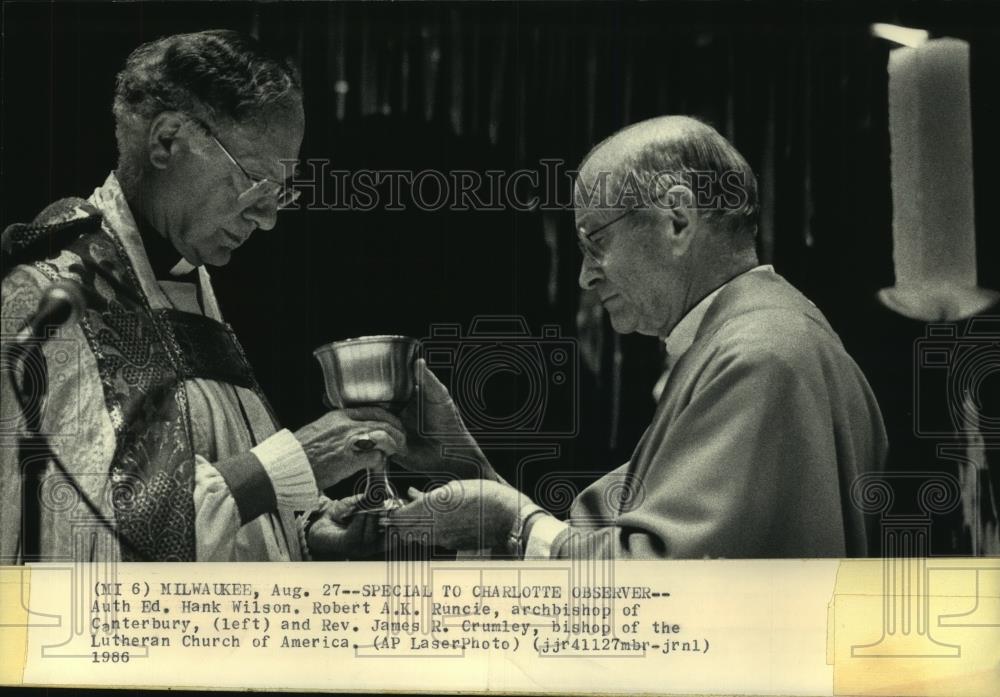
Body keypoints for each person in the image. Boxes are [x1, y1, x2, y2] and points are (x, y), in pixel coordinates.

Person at [0, 29, 454, 563]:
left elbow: (212, 497)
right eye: (256, 182)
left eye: (283, 192)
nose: (268, 218)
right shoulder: (55, 293)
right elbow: (92, 539)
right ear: (167, 140)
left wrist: (309, 534)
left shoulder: (184, 280)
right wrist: (299, 458)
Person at [388, 115, 889, 559]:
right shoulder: (747, 340)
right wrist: (464, 467)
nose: (585, 276)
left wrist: (515, 522)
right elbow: (602, 532)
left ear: (677, 218)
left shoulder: (759, 355)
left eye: (596, 242)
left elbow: (656, 578)